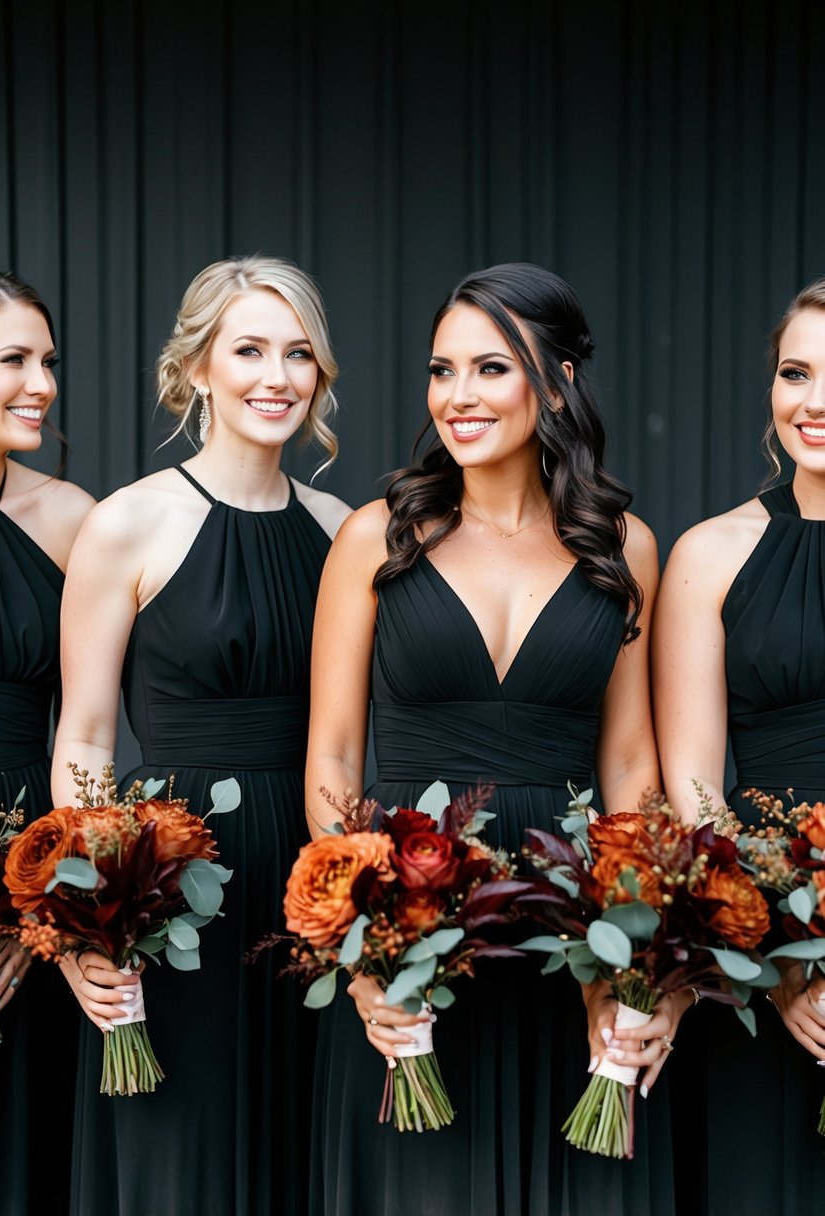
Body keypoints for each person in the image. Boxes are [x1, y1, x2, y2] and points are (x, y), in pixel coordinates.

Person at [306, 263, 682, 1216]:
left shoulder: (623, 544)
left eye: (490, 369)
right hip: (414, 905)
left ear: (554, 382)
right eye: (441, 370)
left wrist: (633, 947)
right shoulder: (374, 540)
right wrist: (368, 939)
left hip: (571, 917)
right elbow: (334, 758)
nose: (457, 397)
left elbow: (632, 763)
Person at [52, 255, 350, 1216]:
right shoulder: (126, 525)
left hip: (308, 873)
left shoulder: (346, 531)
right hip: (171, 878)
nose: (278, 377)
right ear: (197, 370)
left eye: (298, 354)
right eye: (250, 349)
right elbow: (87, 738)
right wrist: (92, 915)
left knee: (306, 1142)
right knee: (178, 1151)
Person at [654, 279, 825, 1215]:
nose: (813, 403)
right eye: (795, 373)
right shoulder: (710, 553)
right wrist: (784, 960)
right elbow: (691, 781)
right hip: (755, 943)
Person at [0, 270, 94, 1216]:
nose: (42, 384)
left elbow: (91, 726)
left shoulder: (67, 520)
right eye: (14, 360)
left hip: (31, 857)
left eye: (47, 360)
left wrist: (45, 913)